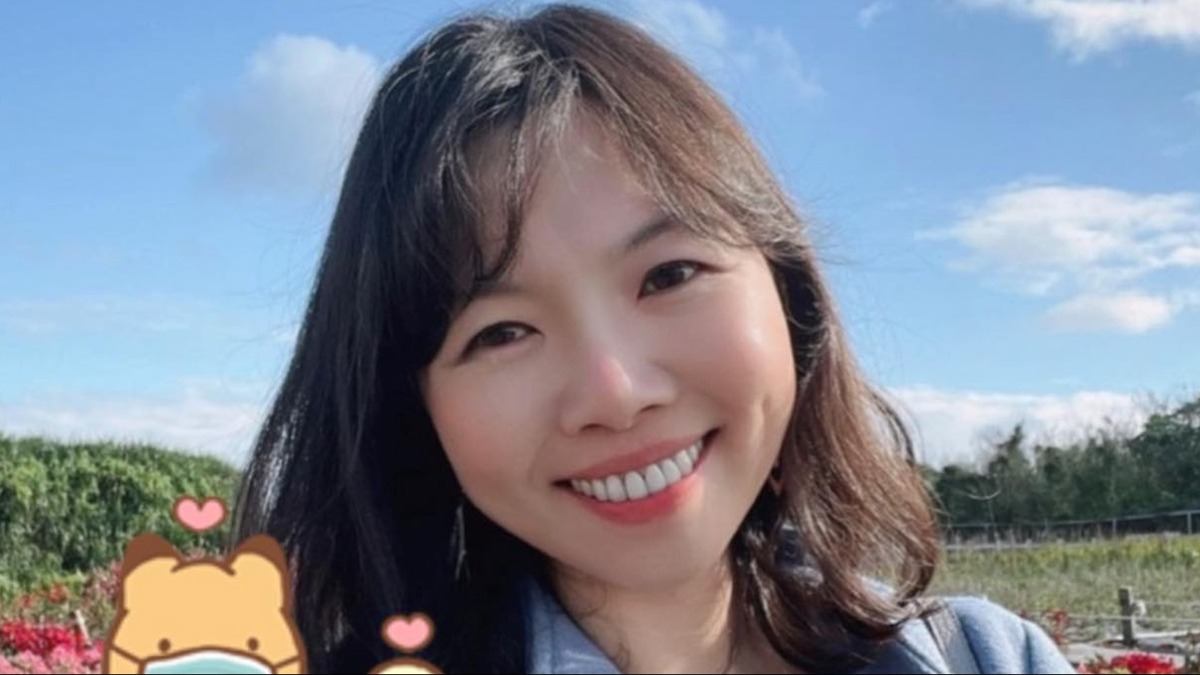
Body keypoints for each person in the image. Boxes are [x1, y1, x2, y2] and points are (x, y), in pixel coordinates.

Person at [232, 4, 1076, 673]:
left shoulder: (990, 658)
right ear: (413, 405)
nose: (615, 391)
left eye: (669, 274)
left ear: (786, 290)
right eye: (502, 332)